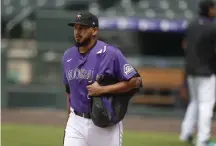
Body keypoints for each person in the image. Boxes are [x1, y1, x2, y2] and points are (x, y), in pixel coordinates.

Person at [61, 12, 142, 146]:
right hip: (75, 122)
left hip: (105, 124)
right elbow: (69, 92)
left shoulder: (110, 54)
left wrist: (102, 90)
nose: (78, 32)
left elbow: (136, 81)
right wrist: (69, 119)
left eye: (83, 28)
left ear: (94, 31)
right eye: (76, 28)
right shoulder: (68, 56)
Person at [179, 0, 216, 146]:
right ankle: (203, 139)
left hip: (191, 70)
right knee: (206, 104)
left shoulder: (192, 25)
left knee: (195, 102)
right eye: (213, 7)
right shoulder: (212, 27)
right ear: (209, 9)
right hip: (207, 71)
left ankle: (185, 133)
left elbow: (184, 45)